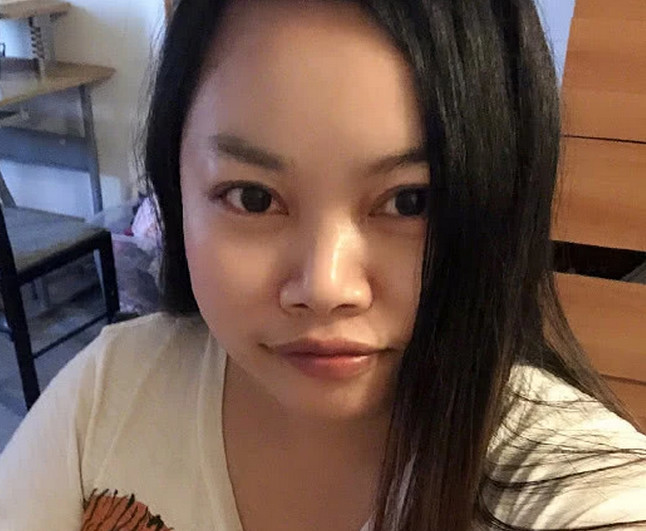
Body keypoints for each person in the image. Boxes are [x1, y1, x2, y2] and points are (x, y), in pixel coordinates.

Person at [0, 0, 645, 529]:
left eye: (410, 201)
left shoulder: (572, 484)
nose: (326, 287)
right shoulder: (108, 392)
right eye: (253, 198)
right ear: (176, 188)